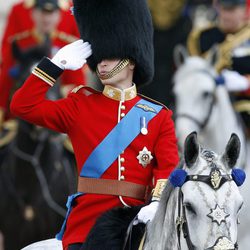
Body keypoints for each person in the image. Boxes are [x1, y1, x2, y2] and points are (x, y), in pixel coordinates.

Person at [10, 0, 179, 249]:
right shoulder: (80, 104)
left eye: (109, 56)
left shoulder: (158, 115)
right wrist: (53, 66)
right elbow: (22, 105)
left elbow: (167, 168)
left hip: (138, 221)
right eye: (98, 56)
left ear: (131, 60)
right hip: (87, 227)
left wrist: (156, 203)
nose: (101, 63)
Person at [0, 0, 87, 134]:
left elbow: (76, 82)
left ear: (59, 16)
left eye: (51, 14)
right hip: (21, 111)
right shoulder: (19, 42)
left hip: (56, 109)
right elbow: (6, 77)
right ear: (33, 14)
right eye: (42, 13)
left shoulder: (67, 43)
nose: (46, 19)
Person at [187, 0, 250, 131]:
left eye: (232, 10)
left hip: (243, 104)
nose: (226, 15)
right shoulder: (202, 36)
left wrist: (245, 82)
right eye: (223, 9)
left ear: (244, 10)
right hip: (208, 102)